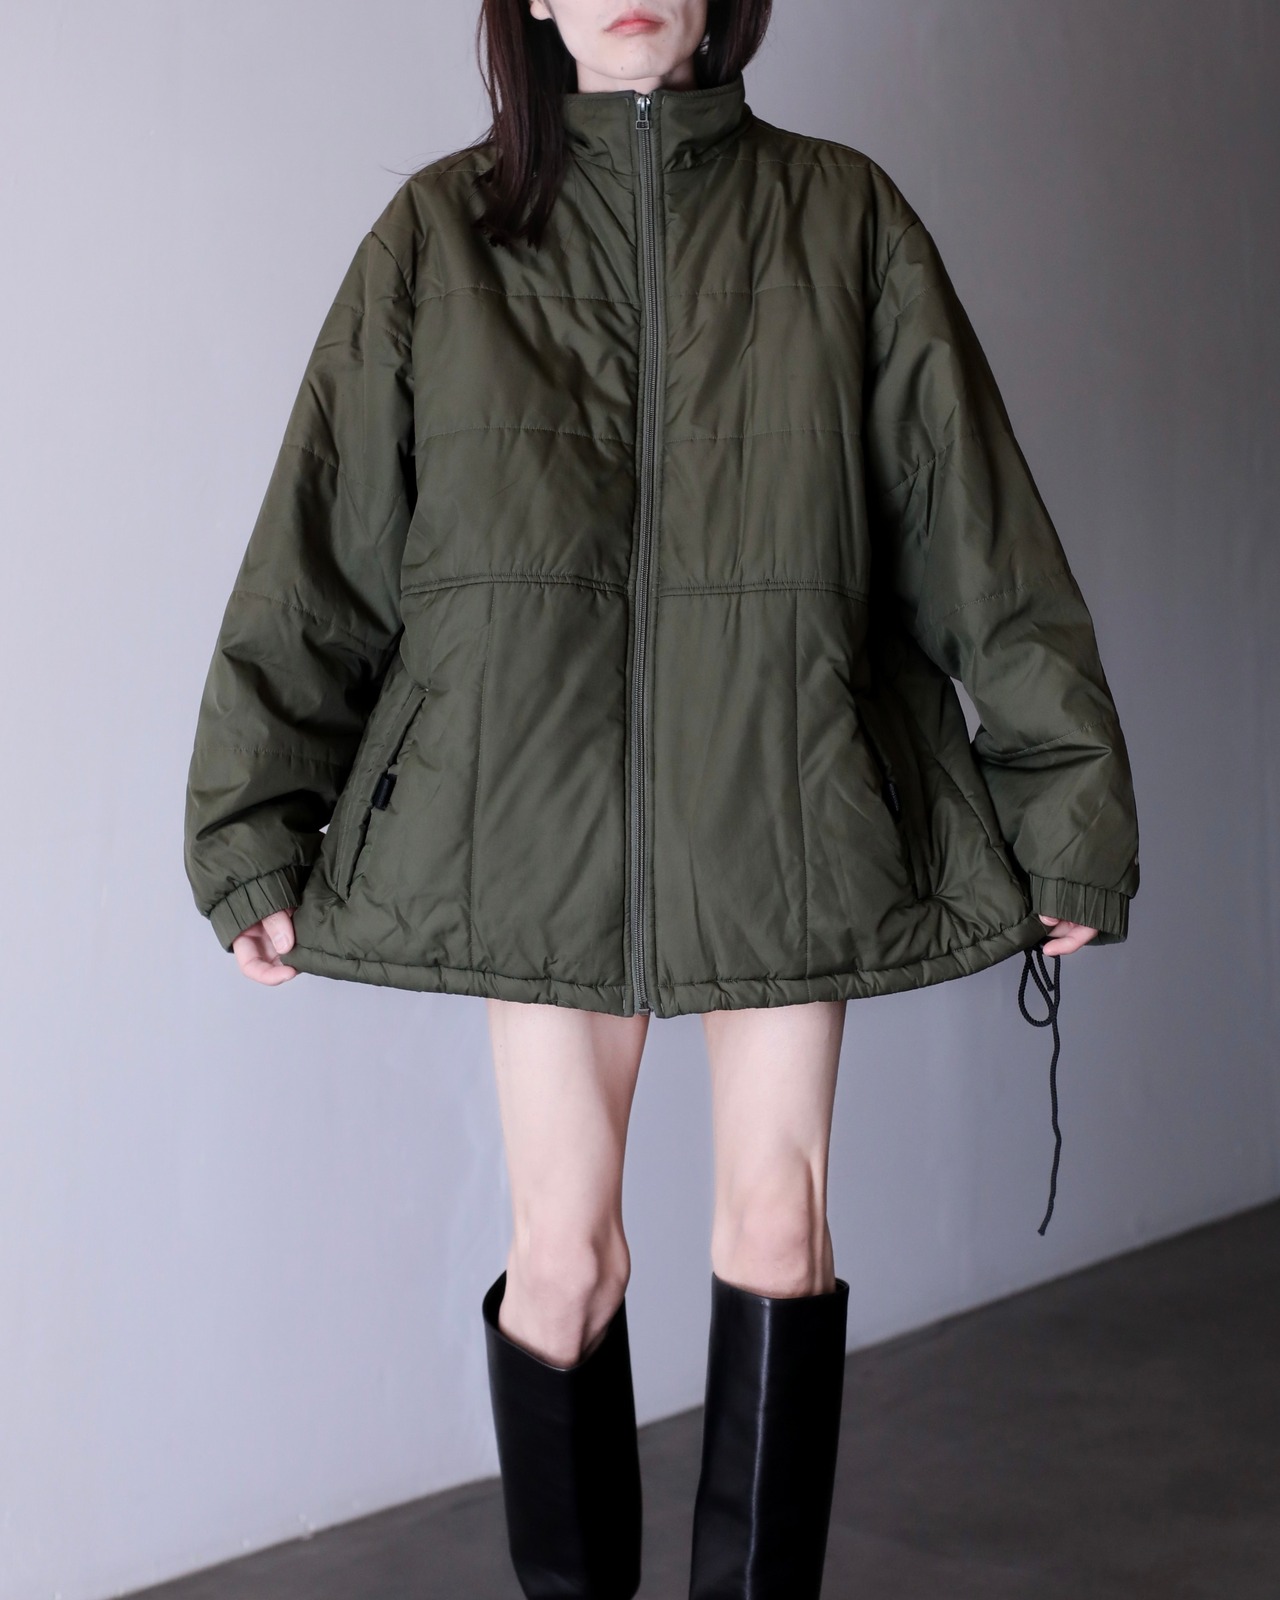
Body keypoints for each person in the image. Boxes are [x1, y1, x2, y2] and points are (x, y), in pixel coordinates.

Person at [183, 1, 1140, 1594]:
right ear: (536, 3)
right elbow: (321, 554)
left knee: (778, 1232)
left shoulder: (843, 219)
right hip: (531, 824)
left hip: (787, 797)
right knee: (563, 1260)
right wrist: (252, 821)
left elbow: (976, 528)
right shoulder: (439, 239)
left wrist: (1068, 807)